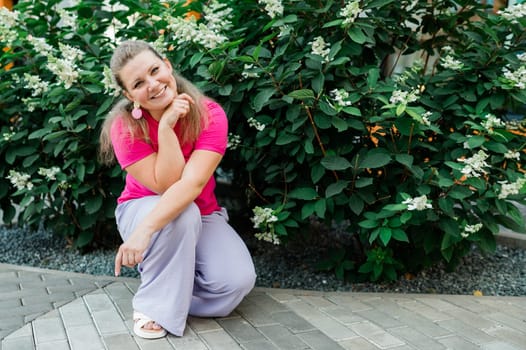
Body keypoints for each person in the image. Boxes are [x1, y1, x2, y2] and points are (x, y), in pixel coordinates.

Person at [98, 39, 256, 339]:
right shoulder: (124, 127)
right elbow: (166, 185)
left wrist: (146, 233)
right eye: (139, 83)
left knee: (236, 283)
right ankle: (153, 305)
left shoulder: (210, 114)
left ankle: (172, 287)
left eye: (155, 70)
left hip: (198, 209)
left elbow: (192, 185)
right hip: (142, 207)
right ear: (128, 94)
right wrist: (166, 127)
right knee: (182, 216)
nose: (153, 84)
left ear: (167, 65)